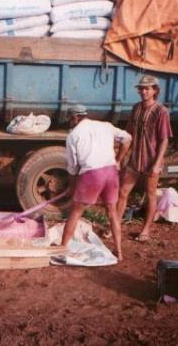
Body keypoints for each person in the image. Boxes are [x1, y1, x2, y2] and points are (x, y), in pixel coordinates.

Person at [61, 104, 132, 261]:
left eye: (70, 119)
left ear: (74, 117)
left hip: (92, 174)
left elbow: (72, 168)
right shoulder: (105, 126)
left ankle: (62, 248)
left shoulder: (73, 136)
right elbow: (127, 139)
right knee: (112, 213)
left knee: (76, 211)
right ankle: (119, 252)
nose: (69, 122)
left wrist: (72, 188)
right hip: (111, 172)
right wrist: (118, 160)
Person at [116, 75, 173, 242]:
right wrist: (120, 157)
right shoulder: (136, 108)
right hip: (134, 159)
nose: (143, 91)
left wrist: (157, 164)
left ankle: (146, 229)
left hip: (151, 161)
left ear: (155, 90)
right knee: (122, 192)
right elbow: (128, 135)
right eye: (141, 88)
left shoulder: (161, 111)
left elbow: (164, 140)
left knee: (150, 195)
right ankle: (116, 225)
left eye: (147, 88)